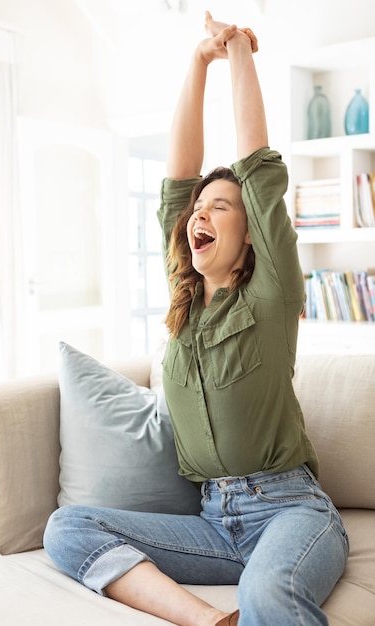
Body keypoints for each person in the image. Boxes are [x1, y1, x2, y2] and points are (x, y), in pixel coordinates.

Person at [43, 12, 349, 626]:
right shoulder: (185, 303)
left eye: (220, 207)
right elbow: (176, 182)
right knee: (67, 527)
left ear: (251, 232)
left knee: (269, 595)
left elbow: (259, 167)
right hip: (213, 524)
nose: (197, 215)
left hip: (290, 513)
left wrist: (236, 50)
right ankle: (207, 620)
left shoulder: (270, 294)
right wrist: (194, 60)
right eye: (196, 210)